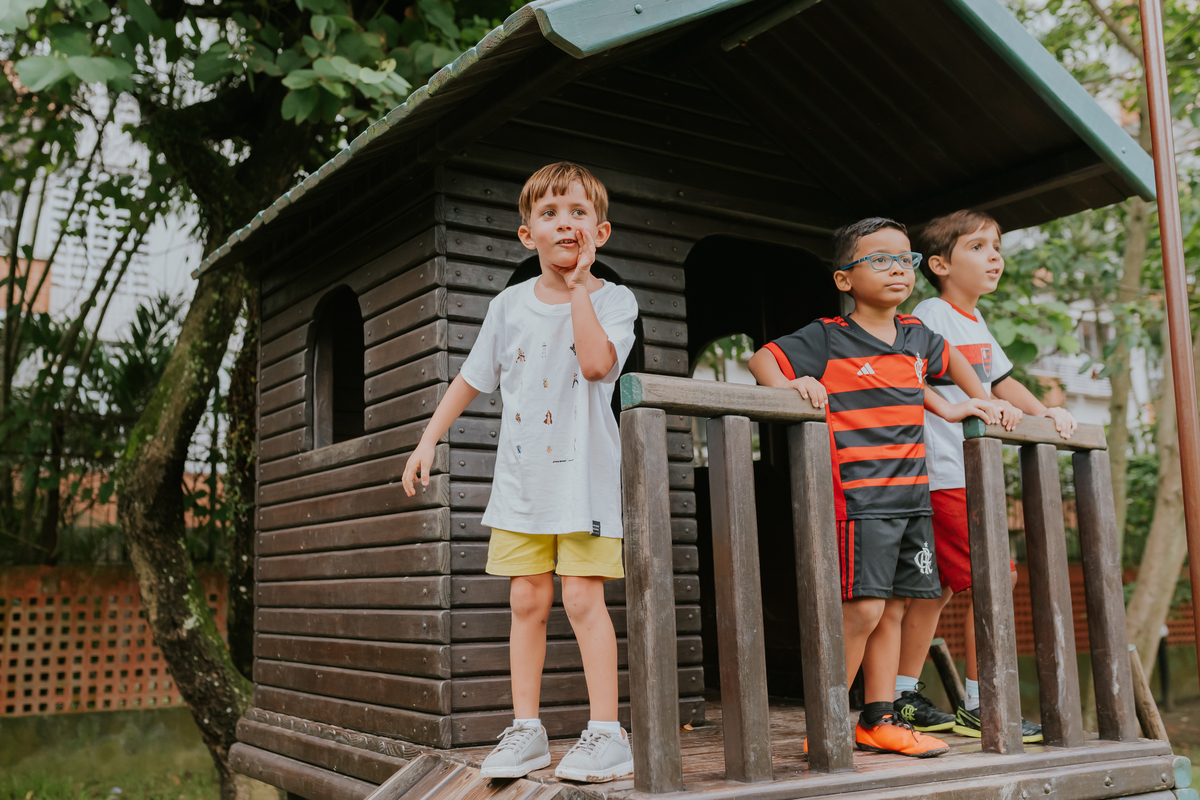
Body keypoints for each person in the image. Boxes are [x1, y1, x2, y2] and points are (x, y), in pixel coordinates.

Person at [401, 162, 639, 782]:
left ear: (601, 231)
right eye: (551, 213)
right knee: (526, 599)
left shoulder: (615, 300)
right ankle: (528, 729)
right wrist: (427, 440)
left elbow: (594, 367)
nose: (566, 223)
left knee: (585, 599)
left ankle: (607, 734)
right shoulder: (508, 305)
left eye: (579, 213)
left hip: (584, 481)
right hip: (523, 485)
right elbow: (471, 379)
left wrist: (582, 289)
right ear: (526, 234)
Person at [748, 217, 1002, 758]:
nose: (897, 269)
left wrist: (969, 401)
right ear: (844, 279)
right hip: (861, 498)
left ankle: (877, 719)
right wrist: (793, 384)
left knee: (896, 608)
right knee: (863, 610)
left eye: (905, 259)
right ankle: (827, 719)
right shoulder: (828, 337)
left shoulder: (916, 336)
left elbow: (938, 366)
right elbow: (763, 357)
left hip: (914, 497)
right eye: (880, 258)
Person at [893, 210, 1077, 743]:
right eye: (978, 247)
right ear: (941, 264)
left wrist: (1047, 411)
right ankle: (981, 700)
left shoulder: (973, 323)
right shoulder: (932, 311)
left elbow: (1001, 381)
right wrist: (978, 402)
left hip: (965, 474)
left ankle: (904, 693)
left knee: (936, 590)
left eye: (996, 246)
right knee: (995, 579)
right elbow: (916, 373)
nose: (994, 256)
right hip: (943, 468)